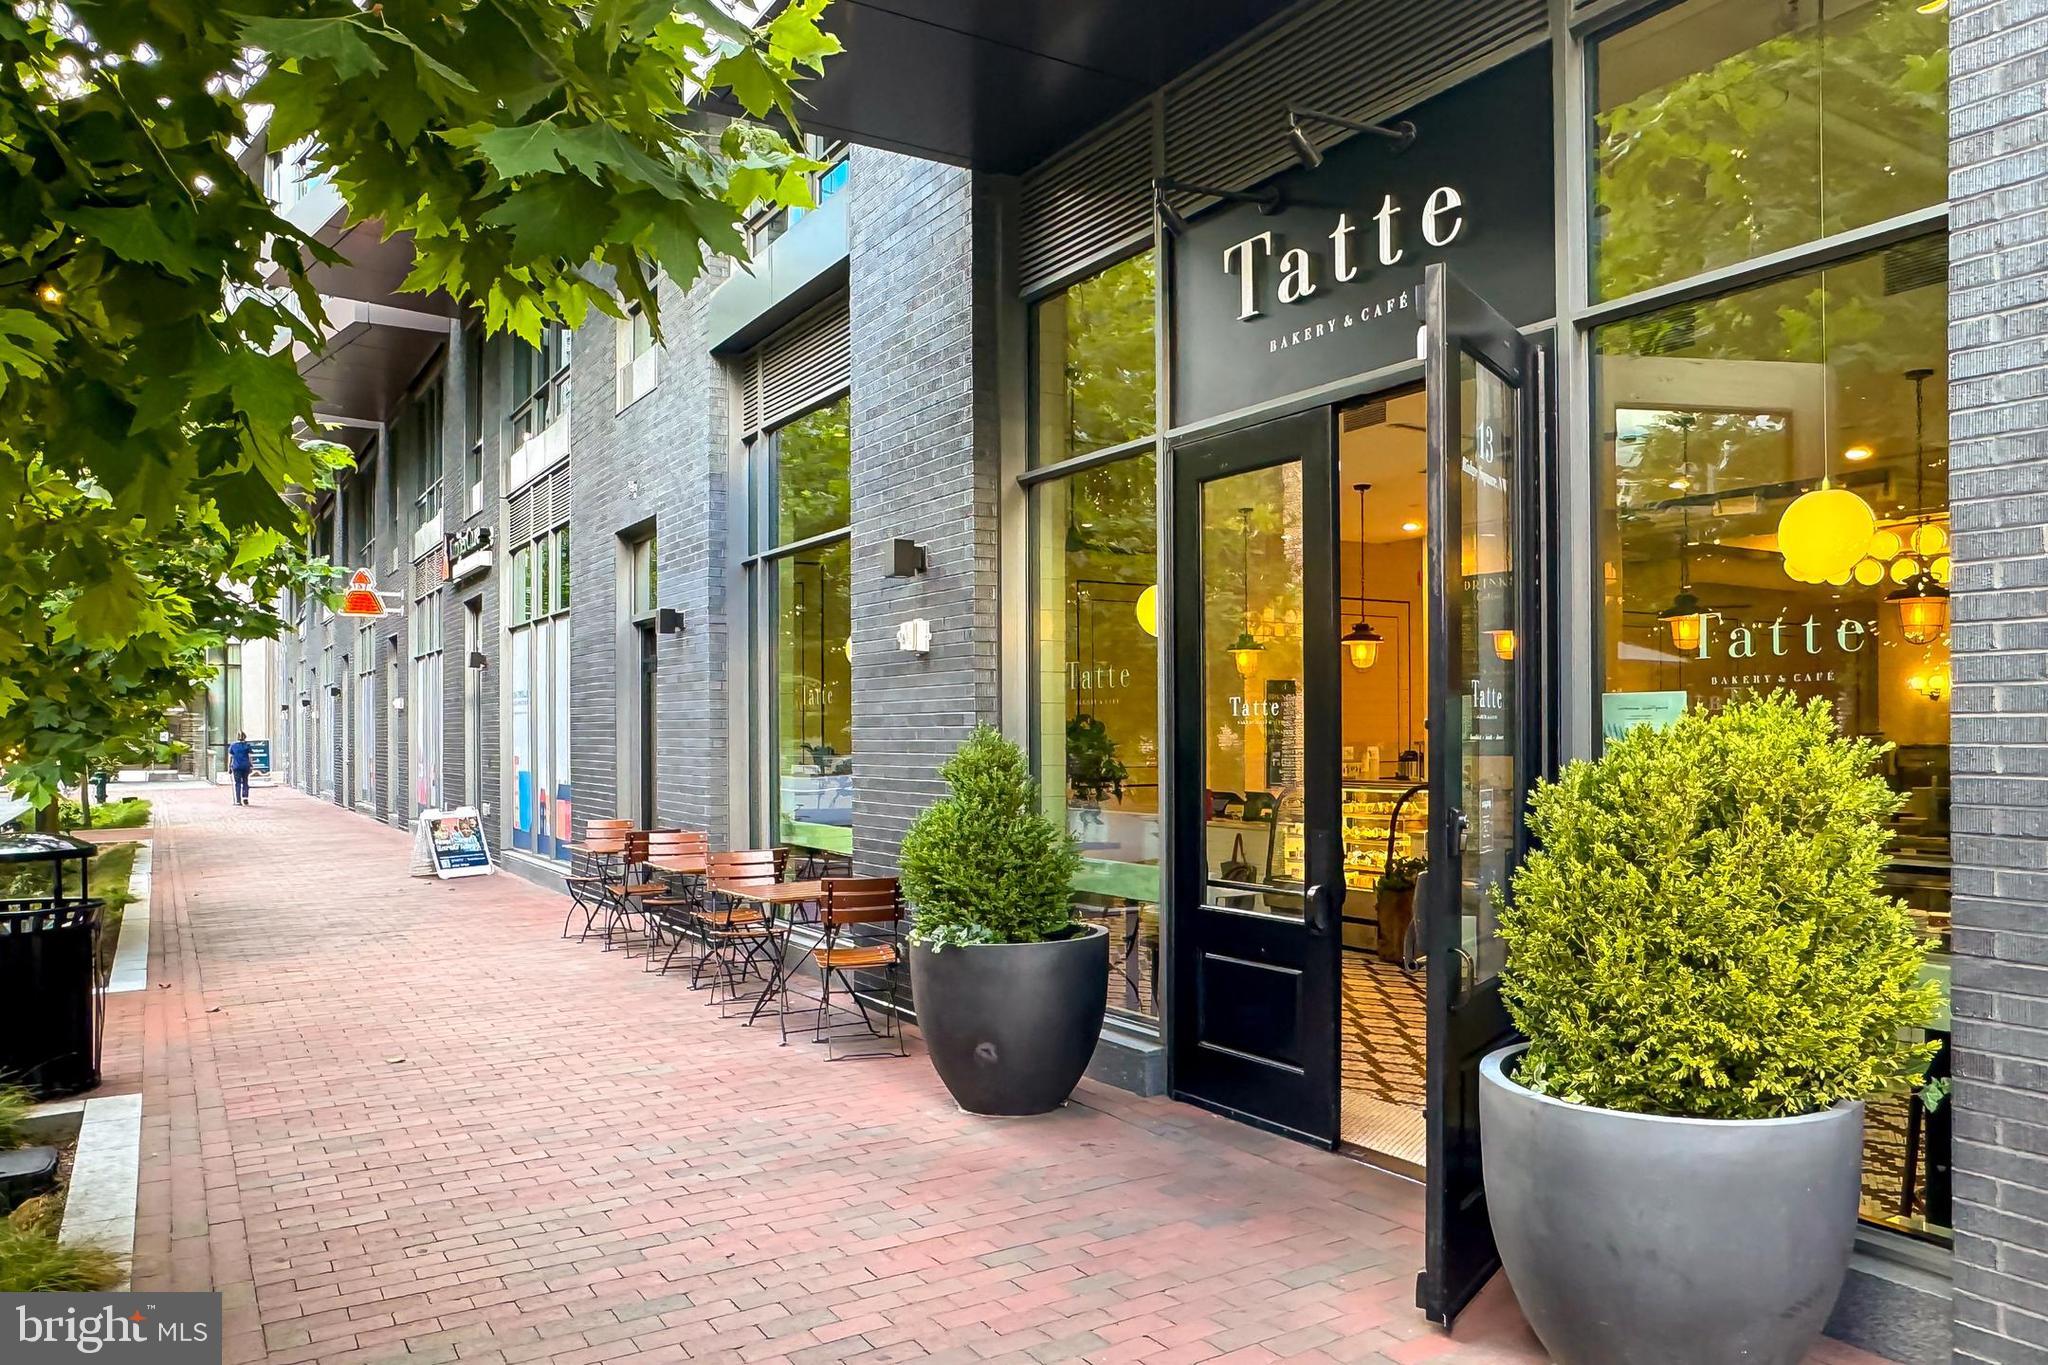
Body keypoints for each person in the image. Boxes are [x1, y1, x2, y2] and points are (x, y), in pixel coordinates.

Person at [227, 732, 253, 806]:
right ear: (245, 737)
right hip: (245, 766)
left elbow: (230, 757)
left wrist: (229, 767)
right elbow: (250, 756)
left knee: (237, 783)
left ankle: (238, 801)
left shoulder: (233, 745)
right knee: (245, 781)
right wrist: (251, 765)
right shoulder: (247, 745)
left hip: (236, 766)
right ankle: (245, 797)